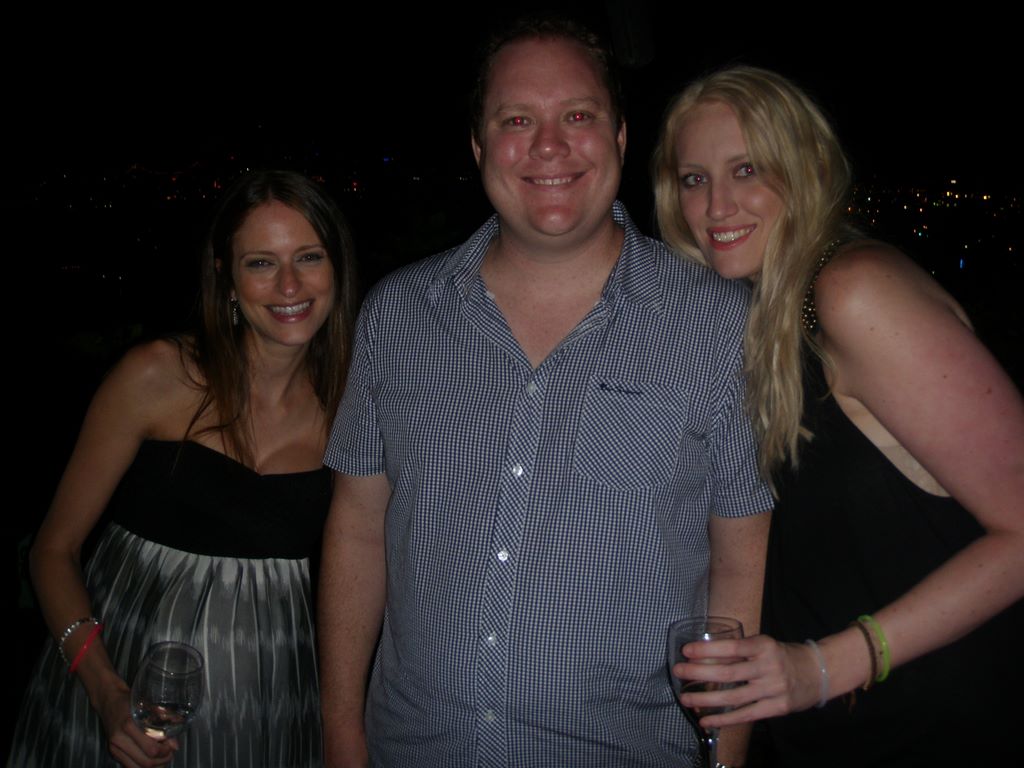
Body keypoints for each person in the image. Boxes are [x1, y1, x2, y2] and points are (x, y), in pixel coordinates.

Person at [318, 16, 773, 768]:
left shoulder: (719, 326)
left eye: (579, 116)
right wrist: (341, 734)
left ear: (620, 137)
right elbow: (357, 529)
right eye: (518, 120)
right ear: (478, 146)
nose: (550, 146)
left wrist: (727, 759)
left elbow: (738, 567)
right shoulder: (397, 317)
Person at [652, 65, 1024, 766]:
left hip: (944, 727)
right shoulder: (767, 313)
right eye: (694, 179)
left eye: (747, 170)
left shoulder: (853, 291)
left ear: (805, 169)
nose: (716, 205)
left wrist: (826, 667)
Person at [10, 169, 358, 768]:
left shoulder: (355, 409)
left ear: (337, 268)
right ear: (225, 278)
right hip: (117, 692)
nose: (290, 285)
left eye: (309, 256)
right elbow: (52, 551)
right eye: (261, 263)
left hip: (269, 707)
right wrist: (105, 691)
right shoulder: (157, 376)